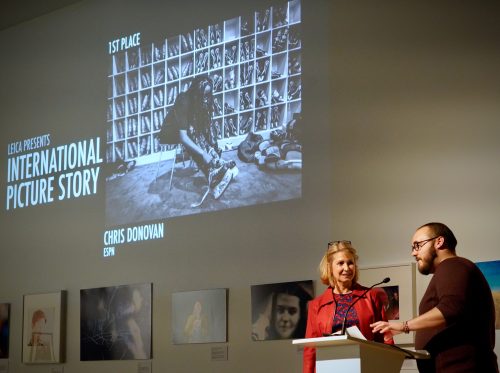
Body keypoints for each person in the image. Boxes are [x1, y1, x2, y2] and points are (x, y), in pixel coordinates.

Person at [371, 222, 499, 373]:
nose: (414, 253)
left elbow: (451, 309)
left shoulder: (453, 265)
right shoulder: (453, 268)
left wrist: (403, 326)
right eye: (413, 248)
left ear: (439, 241)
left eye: (418, 245)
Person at [303, 240, 393, 373]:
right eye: (340, 263)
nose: (347, 268)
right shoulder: (316, 305)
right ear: (330, 267)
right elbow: (310, 349)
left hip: (365, 367)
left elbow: (385, 339)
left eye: (350, 263)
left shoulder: (371, 296)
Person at [159, 74, 237, 200]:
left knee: (202, 129)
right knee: (192, 134)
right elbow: (184, 137)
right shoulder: (183, 100)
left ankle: (216, 164)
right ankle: (212, 175)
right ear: (196, 93)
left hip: (184, 131)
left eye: (208, 95)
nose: (206, 99)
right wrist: (203, 154)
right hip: (170, 132)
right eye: (204, 95)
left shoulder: (198, 102)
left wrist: (211, 149)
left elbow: (202, 129)